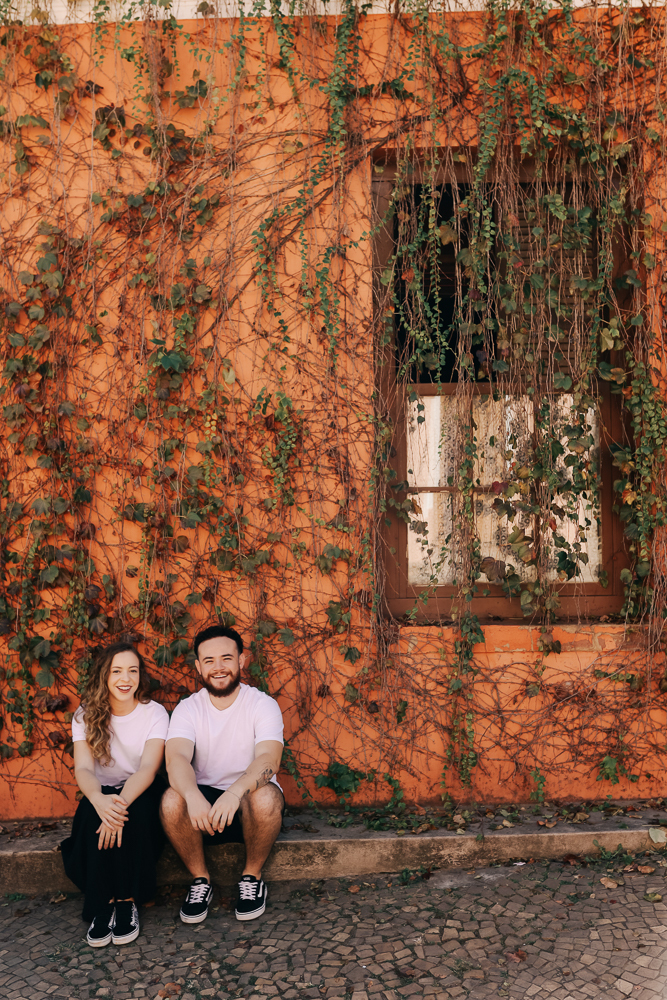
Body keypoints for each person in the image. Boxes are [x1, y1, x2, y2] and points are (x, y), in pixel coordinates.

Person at [160, 624, 284, 924]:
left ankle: (251, 879)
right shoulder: (188, 709)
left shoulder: (262, 704)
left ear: (241, 660)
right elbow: (175, 757)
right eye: (209, 661)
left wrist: (234, 792)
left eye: (227, 658)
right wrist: (192, 795)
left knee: (266, 797)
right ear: (199, 666)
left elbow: (268, 758)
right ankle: (201, 881)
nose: (218, 668)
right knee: (171, 800)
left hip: (247, 802)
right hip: (203, 810)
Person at [61, 640, 168, 947]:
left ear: (140, 676)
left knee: (136, 817)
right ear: (104, 675)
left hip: (141, 787)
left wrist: (116, 809)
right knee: (91, 820)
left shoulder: (154, 714)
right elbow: (83, 770)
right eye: (117, 671)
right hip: (100, 790)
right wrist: (99, 802)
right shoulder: (84, 715)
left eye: (132, 671)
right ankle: (102, 904)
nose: (126, 678)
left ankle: (127, 901)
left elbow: (148, 768)